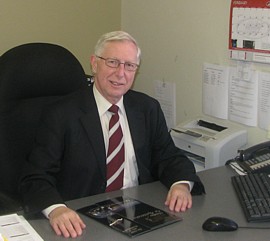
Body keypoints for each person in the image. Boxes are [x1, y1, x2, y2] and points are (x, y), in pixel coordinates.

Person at [19, 31, 205, 238]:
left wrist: (180, 183)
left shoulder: (147, 108)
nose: (120, 73)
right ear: (94, 63)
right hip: (81, 218)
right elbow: (36, 176)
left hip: (140, 211)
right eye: (112, 62)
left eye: (129, 65)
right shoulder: (61, 114)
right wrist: (56, 209)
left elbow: (168, 155)